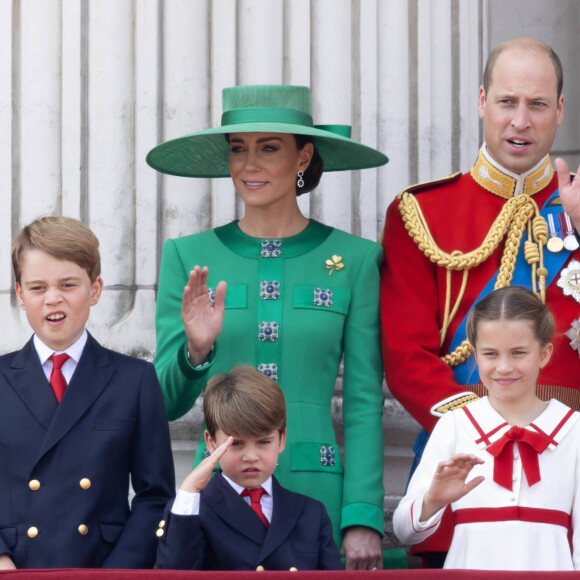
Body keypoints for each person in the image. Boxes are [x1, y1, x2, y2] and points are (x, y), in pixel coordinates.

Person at [147, 84, 388, 569]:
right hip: (217, 491)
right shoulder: (187, 257)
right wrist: (196, 353)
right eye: (238, 149)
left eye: (268, 148)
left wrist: (362, 515)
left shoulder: (356, 260)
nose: (248, 165)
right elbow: (165, 404)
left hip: (317, 489)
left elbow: (364, 399)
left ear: (304, 156)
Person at [381, 37, 580, 561]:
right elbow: (405, 357)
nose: (520, 121)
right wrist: (486, 427)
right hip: (463, 468)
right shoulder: (420, 213)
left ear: (560, 110)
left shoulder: (579, 209)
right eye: (506, 102)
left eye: (537, 104)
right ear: (481, 102)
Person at [0, 216, 175, 569]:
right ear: (19, 294)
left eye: (68, 285)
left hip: (101, 567)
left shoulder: (135, 379)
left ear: (95, 289)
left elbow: (155, 497)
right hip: (17, 567)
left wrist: (115, 574)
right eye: (37, 288)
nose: (53, 299)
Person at [394, 286, 580, 571]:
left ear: (544, 354)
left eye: (518, 353)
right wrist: (433, 500)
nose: (504, 367)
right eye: (491, 354)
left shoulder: (574, 430)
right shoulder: (454, 425)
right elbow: (404, 531)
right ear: (475, 355)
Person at [155, 366, 342, 570]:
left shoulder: (311, 513)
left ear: (281, 439)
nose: (251, 457)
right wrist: (189, 491)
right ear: (211, 442)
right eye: (236, 443)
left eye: (263, 442)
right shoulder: (192, 510)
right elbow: (174, 573)